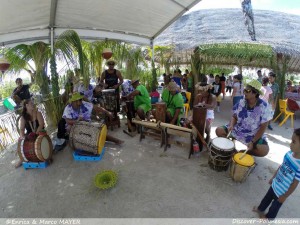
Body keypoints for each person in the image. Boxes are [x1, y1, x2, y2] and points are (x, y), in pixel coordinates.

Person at [215, 80, 273, 157]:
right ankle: (232, 150)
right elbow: (234, 116)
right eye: (244, 90)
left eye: (247, 91)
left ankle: (242, 153)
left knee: (264, 150)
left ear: (255, 93)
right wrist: (231, 125)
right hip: (237, 129)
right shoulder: (241, 102)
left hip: (253, 134)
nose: (244, 92)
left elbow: (263, 127)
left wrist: (253, 141)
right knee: (219, 130)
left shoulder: (264, 107)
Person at [253, 128, 300, 219]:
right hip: (275, 184)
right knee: (266, 198)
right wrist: (273, 177)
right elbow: (281, 166)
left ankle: (268, 218)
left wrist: (285, 196)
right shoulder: (288, 153)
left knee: (274, 207)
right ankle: (260, 209)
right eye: (291, 140)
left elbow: (295, 183)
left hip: (282, 192)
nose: (290, 144)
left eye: (294, 142)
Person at [55, 92, 124, 150]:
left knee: (97, 133)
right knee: (71, 130)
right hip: (74, 126)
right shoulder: (68, 108)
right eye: (79, 100)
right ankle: (74, 142)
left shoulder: (84, 104)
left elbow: (97, 108)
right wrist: (78, 121)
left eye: (81, 100)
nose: (81, 101)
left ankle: (115, 140)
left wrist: (107, 112)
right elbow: (67, 121)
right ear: (74, 101)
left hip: (86, 124)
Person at [15, 99, 45, 168]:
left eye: (33, 103)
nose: (33, 104)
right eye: (31, 103)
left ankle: (41, 154)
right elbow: (21, 129)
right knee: (21, 141)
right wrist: (22, 137)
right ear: (27, 106)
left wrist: (35, 134)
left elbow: (41, 124)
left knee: (37, 141)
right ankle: (22, 159)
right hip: (29, 135)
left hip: (40, 132)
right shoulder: (23, 117)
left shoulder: (38, 113)